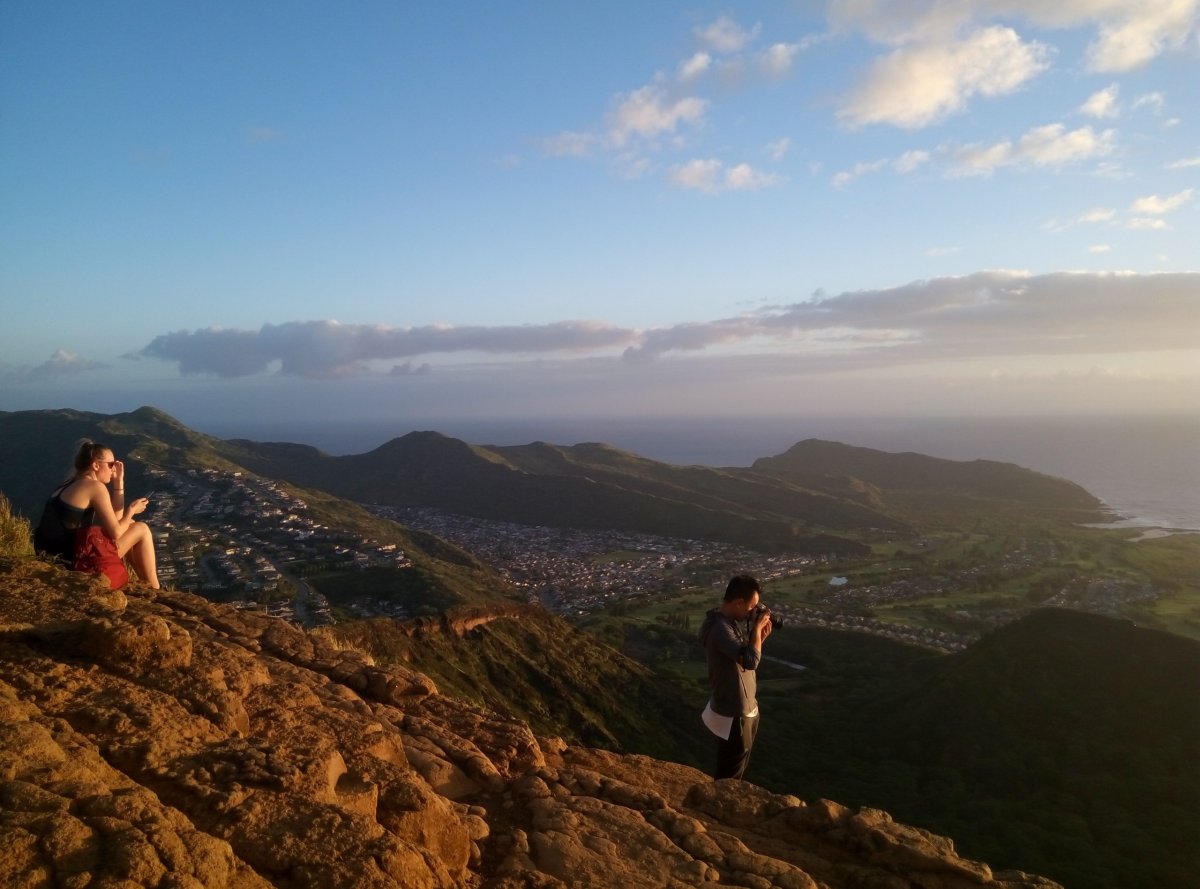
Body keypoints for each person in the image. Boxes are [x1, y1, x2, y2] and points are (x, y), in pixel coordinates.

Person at [34, 441, 160, 590]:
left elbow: (117, 521)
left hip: (52, 555)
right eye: (111, 464)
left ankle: (145, 582)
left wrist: (119, 482)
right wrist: (131, 509)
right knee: (142, 528)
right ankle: (155, 588)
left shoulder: (69, 484)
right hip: (73, 560)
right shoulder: (94, 487)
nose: (113, 469)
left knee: (131, 524)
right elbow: (116, 532)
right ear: (95, 465)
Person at [698, 574, 772, 780]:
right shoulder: (720, 628)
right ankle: (716, 807)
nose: (753, 612)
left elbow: (746, 656)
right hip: (735, 712)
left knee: (737, 763)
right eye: (751, 606)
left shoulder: (725, 623)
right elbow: (750, 662)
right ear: (738, 603)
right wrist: (756, 629)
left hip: (743, 708)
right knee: (731, 772)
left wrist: (759, 638)